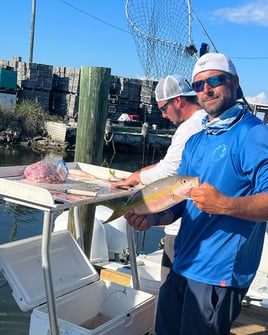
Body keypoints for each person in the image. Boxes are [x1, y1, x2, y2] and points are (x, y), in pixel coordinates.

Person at [124, 52, 268, 335]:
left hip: (218, 276)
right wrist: (155, 218)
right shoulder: (195, 140)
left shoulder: (253, 134)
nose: (206, 89)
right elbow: (181, 201)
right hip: (183, 264)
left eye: (215, 80)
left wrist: (225, 205)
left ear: (234, 82)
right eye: (199, 84)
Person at [112, 74, 206, 283]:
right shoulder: (208, 122)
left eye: (163, 108)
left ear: (178, 101)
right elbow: (174, 165)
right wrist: (138, 175)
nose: (163, 116)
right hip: (195, 223)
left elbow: (168, 172)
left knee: (170, 296)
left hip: (181, 228)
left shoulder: (189, 128)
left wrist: (136, 178)